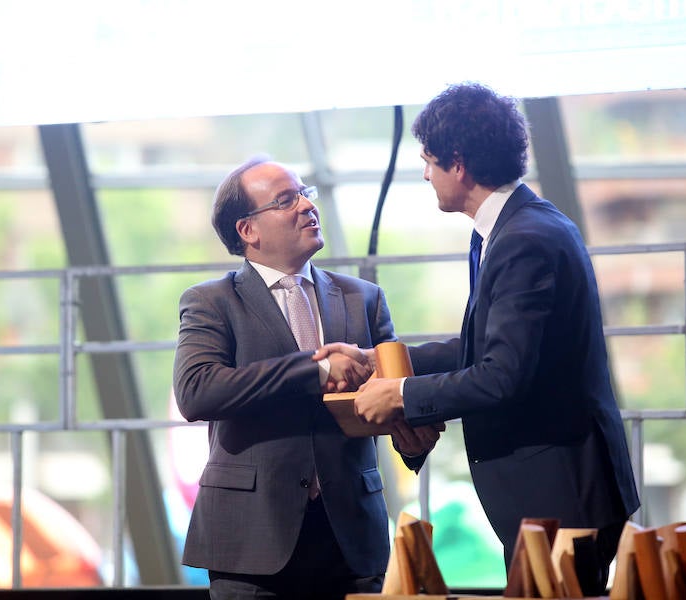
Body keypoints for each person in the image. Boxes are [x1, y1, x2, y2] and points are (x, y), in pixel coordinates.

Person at [352, 82, 641, 594]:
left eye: (428, 161)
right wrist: (379, 362)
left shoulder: (524, 239)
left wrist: (399, 395)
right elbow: (482, 346)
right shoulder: (510, 228)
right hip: (551, 489)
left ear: (457, 164)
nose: (424, 174)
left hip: (560, 494)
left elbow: (501, 376)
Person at [173, 156, 440, 600]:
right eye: (285, 200)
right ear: (248, 230)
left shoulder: (364, 299)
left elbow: (394, 391)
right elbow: (197, 391)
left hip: (351, 538)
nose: (305, 206)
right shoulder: (211, 301)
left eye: (305, 194)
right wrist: (314, 370)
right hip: (252, 541)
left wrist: (412, 440)